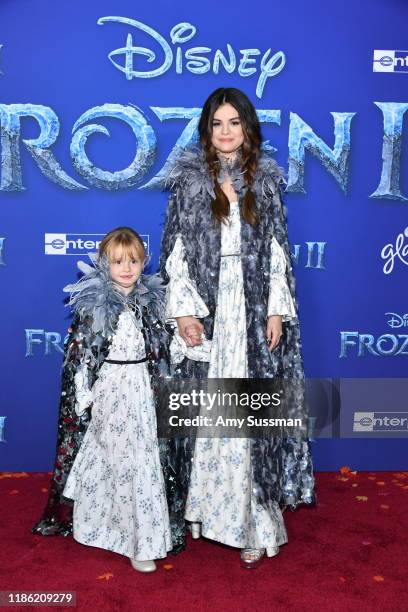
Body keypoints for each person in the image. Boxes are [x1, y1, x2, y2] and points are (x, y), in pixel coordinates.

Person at [160, 87, 316, 569]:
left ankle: (253, 522)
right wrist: (183, 311)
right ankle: (204, 514)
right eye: (217, 124)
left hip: (248, 313)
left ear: (248, 128)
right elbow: (176, 251)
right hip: (208, 310)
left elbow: (275, 252)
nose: (226, 132)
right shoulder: (188, 183)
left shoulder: (265, 183)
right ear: (206, 131)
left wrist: (275, 311)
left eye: (234, 122)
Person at [33, 227, 187, 572]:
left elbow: (164, 349)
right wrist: (83, 393)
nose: (127, 268)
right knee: (111, 459)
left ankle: (141, 541)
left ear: (143, 262)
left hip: (143, 391)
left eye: (133, 260)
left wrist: (182, 344)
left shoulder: (153, 303)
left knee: (143, 463)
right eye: (118, 261)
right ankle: (99, 527)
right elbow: (82, 355)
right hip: (110, 392)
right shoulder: (92, 305)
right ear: (105, 263)